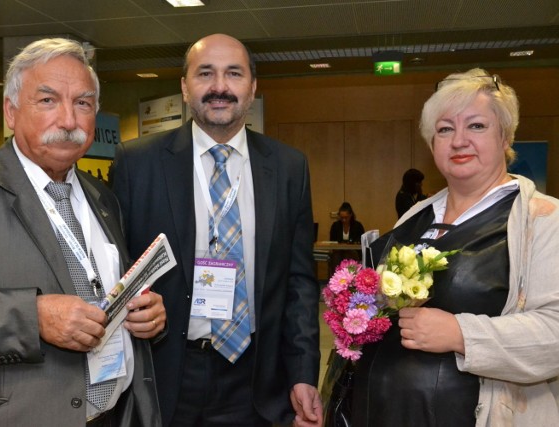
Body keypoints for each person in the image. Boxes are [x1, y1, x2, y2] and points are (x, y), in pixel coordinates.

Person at [0, 38, 166, 427]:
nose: (69, 120)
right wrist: (31, 318)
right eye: (48, 100)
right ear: (11, 111)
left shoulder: (103, 196)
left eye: (82, 103)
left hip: (112, 415)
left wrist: (143, 315)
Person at [112, 33, 322, 427]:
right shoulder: (137, 163)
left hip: (258, 376)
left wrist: (303, 372)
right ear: (184, 87)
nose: (220, 87)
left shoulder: (289, 167)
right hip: (168, 372)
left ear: (253, 87)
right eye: (205, 73)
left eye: (234, 74)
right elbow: (116, 269)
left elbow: (299, 282)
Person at [329, 68, 559, 426]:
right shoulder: (413, 218)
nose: (459, 140)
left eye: (477, 126)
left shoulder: (543, 220)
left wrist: (461, 334)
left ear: (506, 137)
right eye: (445, 129)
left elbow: (554, 334)